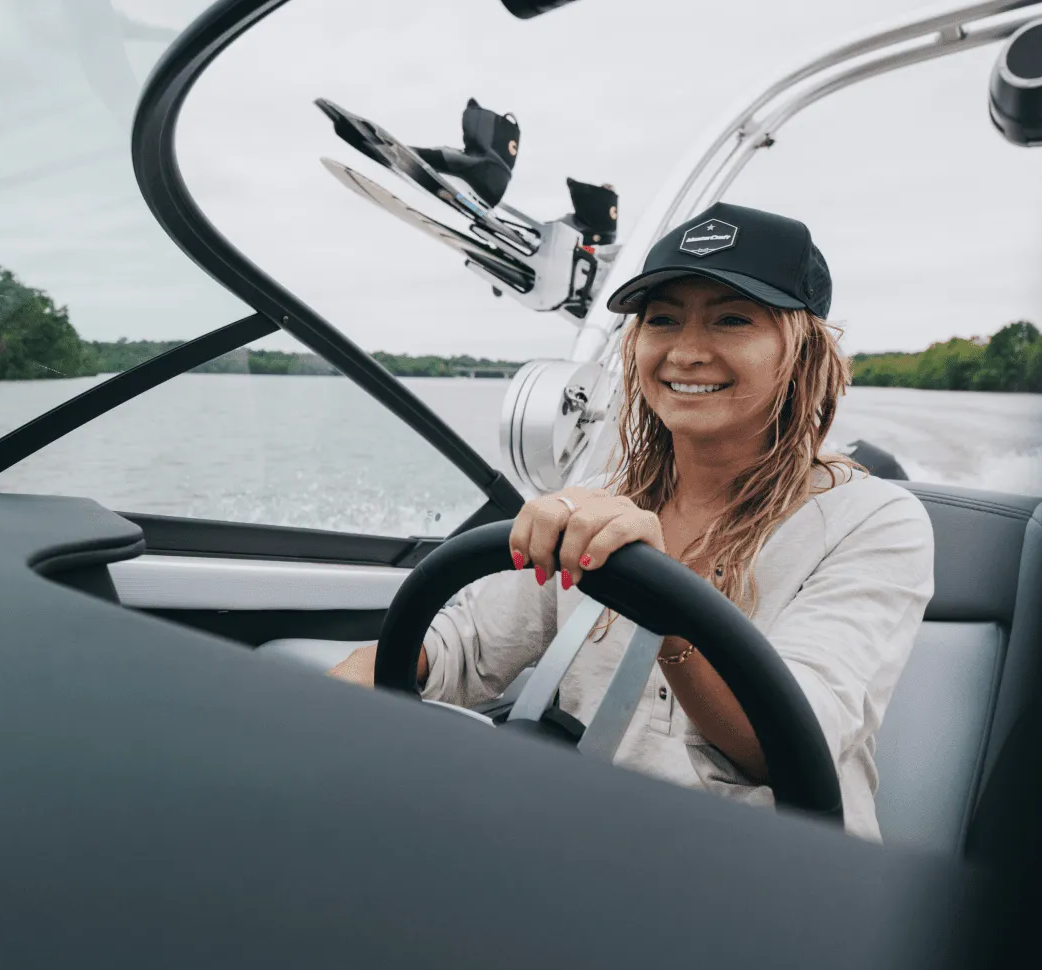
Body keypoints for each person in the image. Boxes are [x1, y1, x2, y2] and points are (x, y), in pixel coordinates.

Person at [329, 202, 935, 842]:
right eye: (662, 320)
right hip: (584, 839)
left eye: (732, 319)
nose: (687, 352)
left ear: (804, 350)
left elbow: (788, 741)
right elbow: (465, 647)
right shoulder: (595, 502)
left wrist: (664, 602)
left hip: (773, 868)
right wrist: (333, 701)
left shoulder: (876, 522)